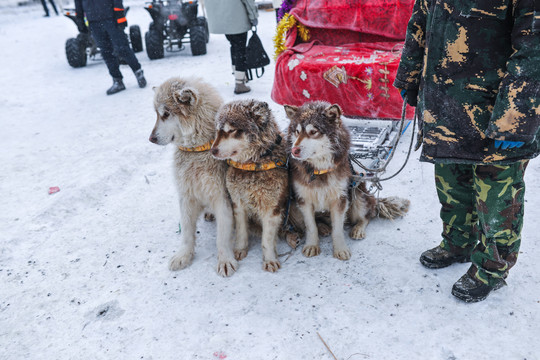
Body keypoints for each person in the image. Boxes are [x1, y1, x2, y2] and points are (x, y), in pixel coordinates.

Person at [394, 0, 540, 302]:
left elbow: (533, 49)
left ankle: (491, 268)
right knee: (451, 180)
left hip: (495, 110)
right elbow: (420, 20)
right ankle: (458, 241)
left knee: (497, 195)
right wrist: (409, 74)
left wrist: (515, 117)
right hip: (445, 103)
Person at [74, 0, 147, 95]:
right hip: (94, 22)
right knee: (106, 52)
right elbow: (78, 3)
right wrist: (80, 20)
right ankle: (117, 81)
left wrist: (120, 17)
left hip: (111, 19)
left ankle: (138, 73)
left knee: (122, 48)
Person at [205, 0, 259, 94]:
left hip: (224, 18)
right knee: (240, 49)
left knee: (234, 46)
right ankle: (240, 83)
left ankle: (239, 75)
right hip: (237, 17)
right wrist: (253, 16)